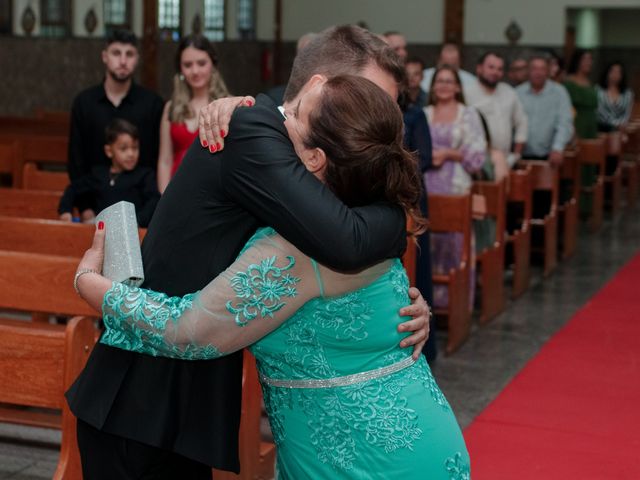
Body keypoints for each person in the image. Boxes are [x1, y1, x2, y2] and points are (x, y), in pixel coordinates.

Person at [66, 25, 431, 480]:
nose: (382, 123)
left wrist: (401, 303)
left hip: (185, 400)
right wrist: (404, 217)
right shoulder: (250, 129)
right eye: (371, 99)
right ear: (321, 85)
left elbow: (340, 258)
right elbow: (349, 241)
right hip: (141, 397)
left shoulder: (304, 154)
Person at [68, 29, 163, 218]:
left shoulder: (152, 104)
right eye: (116, 53)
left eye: (129, 54)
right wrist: (86, 209)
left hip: (140, 213)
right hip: (93, 210)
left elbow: (156, 159)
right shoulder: (84, 103)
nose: (122, 61)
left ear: (137, 58)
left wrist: (145, 216)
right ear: (105, 56)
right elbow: (76, 160)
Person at [424, 65, 486, 311]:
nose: (444, 86)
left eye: (449, 81)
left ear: (458, 87)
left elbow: (477, 156)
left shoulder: (468, 114)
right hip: (427, 187)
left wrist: (449, 153)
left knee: (454, 246)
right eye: (440, 81)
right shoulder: (424, 114)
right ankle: (426, 305)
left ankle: (456, 305)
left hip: (456, 190)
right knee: (428, 246)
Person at [157, 35, 230, 193]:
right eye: (188, 65)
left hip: (215, 192)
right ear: (180, 68)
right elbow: (165, 160)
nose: (195, 71)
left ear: (213, 64)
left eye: (201, 63)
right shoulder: (171, 107)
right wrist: (164, 197)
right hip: (177, 191)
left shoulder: (228, 105)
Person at [58, 119, 159, 227]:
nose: (131, 154)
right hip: (101, 234)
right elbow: (73, 189)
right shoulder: (99, 174)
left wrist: (137, 221)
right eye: (123, 149)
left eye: (134, 148)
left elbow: (154, 201)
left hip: (133, 234)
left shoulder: (145, 176)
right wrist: (65, 210)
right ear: (109, 151)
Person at [466, 51, 528, 167]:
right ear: (479, 68)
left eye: (499, 69)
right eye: (491, 67)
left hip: (506, 160)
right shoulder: (467, 94)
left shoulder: (509, 92)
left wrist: (516, 154)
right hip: (476, 162)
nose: (495, 72)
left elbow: (521, 122)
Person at [516, 54, 574, 166]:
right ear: (528, 71)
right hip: (521, 155)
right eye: (534, 69)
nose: (538, 73)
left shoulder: (559, 93)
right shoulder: (517, 93)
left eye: (542, 69)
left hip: (550, 156)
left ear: (547, 71)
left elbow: (564, 123)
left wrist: (557, 148)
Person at [564, 49, 598, 216]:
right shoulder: (569, 83)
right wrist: (573, 131)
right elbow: (568, 108)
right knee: (577, 166)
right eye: (585, 59)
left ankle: (587, 207)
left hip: (591, 127)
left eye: (590, 60)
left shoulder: (589, 82)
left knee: (590, 167)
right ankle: (574, 206)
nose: (588, 63)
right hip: (578, 126)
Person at [597, 61, 635, 133]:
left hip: (623, 129)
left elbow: (628, 113)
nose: (615, 74)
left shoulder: (628, 94)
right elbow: (599, 112)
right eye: (613, 71)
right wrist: (615, 125)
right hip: (603, 128)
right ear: (607, 73)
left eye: (618, 72)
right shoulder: (598, 91)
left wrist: (622, 125)